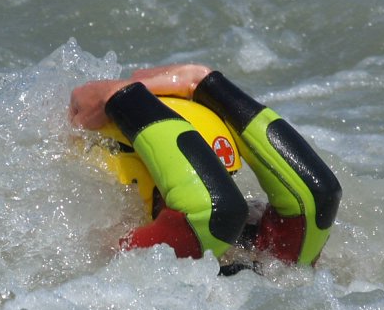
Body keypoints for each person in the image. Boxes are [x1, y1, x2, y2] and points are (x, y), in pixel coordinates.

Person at [69, 63, 341, 270]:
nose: (230, 188)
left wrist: (205, 84)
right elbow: (212, 211)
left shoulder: (120, 251)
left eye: (225, 177)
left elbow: (315, 196)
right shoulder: (112, 252)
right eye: (214, 174)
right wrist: (202, 84)